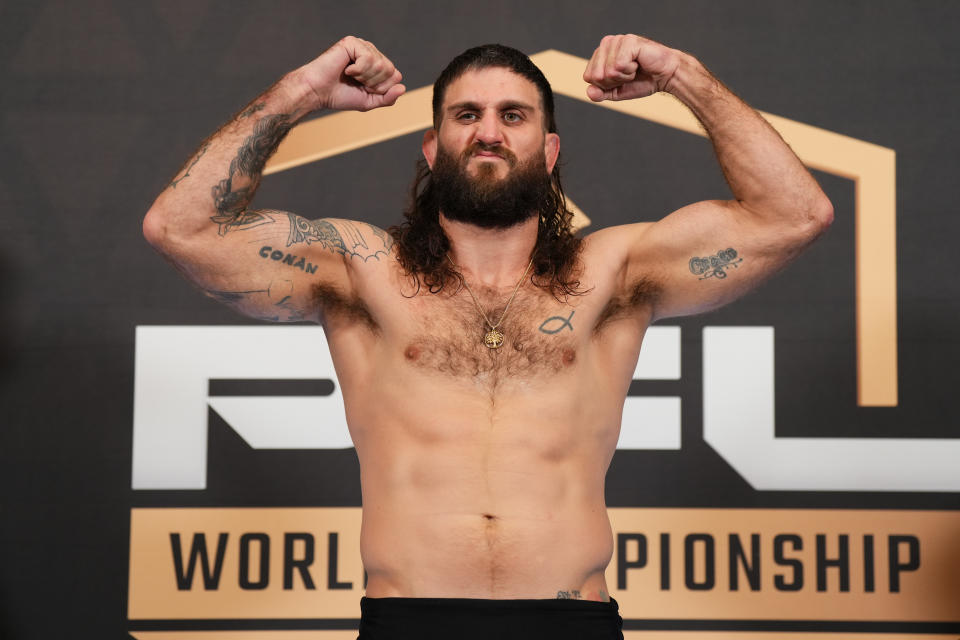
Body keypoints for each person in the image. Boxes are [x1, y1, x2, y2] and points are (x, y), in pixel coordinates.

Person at [143, 34, 832, 640]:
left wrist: (683, 74)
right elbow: (180, 229)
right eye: (465, 115)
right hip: (409, 620)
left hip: (571, 620)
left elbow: (795, 214)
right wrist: (300, 92)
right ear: (432, 143)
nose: (489, 132)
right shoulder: (362, 273)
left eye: (514, 115)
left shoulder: (614, 276)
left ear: (550, 148)